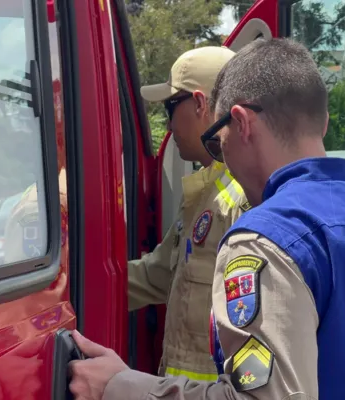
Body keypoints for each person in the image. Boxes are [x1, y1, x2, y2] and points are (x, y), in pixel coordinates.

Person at [67, 38, 345, 400]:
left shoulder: (265, 239)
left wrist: (120, 387)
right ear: (323, 123)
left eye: (217, 142)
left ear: (242, 123)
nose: (222, 157)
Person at [124, 46, 250, 381]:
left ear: (199, 103)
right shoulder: (206, 191)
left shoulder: (242, 199)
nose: (166, 125)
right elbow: (160, 275)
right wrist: (77, 288)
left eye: (170, 107)